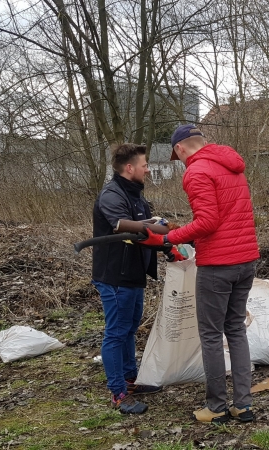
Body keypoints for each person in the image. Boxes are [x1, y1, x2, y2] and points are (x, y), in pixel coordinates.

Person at [142, 124, 259, 424]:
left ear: (180, 148)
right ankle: (243, 405)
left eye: (177, 156)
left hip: (218, 264)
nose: (180, 160)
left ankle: (216, 406)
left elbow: (207, 222)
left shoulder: (196, 171)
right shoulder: (232, 165)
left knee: (210, 335)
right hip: (246, 259)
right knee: (236, 330)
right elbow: (224, 217)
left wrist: (169, 238)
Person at [92, 143, 182, 414]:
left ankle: (130, 380)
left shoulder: (136, 195)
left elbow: (148, 231)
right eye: (144, 165)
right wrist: (165, 231)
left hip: (132, 274)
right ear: (130, 168)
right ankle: (118, 393)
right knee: (116, 332)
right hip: (114, 276)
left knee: (130, 328)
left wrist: (169, 247)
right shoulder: (112, 195)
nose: (148, 169)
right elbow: (124, 227)